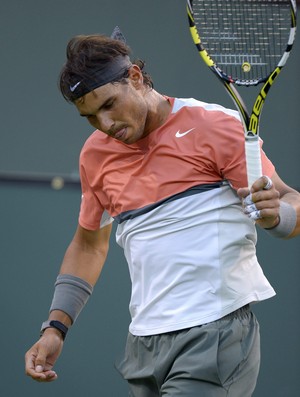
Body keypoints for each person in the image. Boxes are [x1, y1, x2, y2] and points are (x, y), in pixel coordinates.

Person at [25, 28, 300, 397]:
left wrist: (276, 215)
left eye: (108, 105)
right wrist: (54, 328)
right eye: (89, 117)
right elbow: (89, 246)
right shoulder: (95, 154)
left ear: (135, 77)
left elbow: (288, 202)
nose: (105, 125)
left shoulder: (213, 126)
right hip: (143, 344)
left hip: (215, 334)